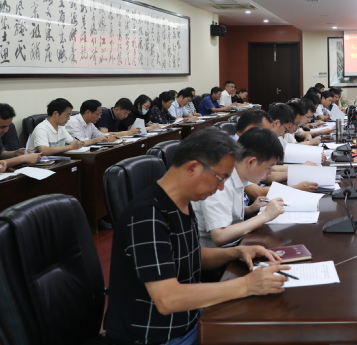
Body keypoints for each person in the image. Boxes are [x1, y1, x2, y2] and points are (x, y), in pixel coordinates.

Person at [104, 128, 289, 345]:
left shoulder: (181, 201)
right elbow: (168, 299)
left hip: (188, 319)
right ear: (192, 168)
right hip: (159, 336)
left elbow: (190, 255)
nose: (221, 188)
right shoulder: (147, 215)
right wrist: (247, 285)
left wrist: (237, 252)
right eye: (220, 178)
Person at [192, 128, 286, 248]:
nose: (269, 174)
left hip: (236, 242)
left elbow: (225, 208)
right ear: (251, 162)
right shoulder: (220, 181)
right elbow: (219, 236)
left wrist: (249, 209)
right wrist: (264, 216)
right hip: (219, 253)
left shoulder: (238, 173)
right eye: (268, 168)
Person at [25, 98, 95, 154]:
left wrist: (78, 144)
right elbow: (44, 151)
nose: (69, 118)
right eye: (67, 115)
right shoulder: (41, 129)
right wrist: (70, 147)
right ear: (55, 113)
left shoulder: (61, 127)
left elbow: (73, 143)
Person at [0, 103, 42, 172]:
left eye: (8, 126)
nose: (6, 130)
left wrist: (15, 153)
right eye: (3, 127)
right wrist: (23, 158)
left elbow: (0, 153)